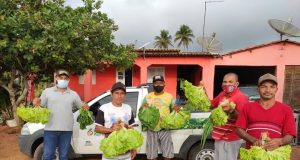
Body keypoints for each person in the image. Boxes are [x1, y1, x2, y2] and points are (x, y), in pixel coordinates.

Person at [236, 73, 296, 151]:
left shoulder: (286, 109)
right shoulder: (248, 107)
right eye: (263, 86)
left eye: (272, 87)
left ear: (276, 89)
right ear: (258, 89)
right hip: (252, 154)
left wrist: (280, 141)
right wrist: (253, 140)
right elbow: (239, 129)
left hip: (275, 155)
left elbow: (290, 135)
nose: (268, 90)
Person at [39, 69, 89, 160]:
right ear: (56, 78)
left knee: (64, 156)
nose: (63, 79)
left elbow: (81, 106)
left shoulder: (73, 94)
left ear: (68, 80)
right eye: (61, 77)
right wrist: (36, 102)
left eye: (65, 78)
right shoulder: (47, 92)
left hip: (67, 130)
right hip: (50, 129)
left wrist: (85, 106)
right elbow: (40, 105)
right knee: (48, 155)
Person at [208, 73, 249, 160]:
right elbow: (211, 104)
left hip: (230, 138)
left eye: (230, 82)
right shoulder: (222, 94)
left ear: (236, 84)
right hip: (220, 136)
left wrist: (231, 111)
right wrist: (201, 93)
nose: (227, 84)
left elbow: (243, 119)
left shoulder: (241, 97)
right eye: (225, 82)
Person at [140, 75, 179, 160]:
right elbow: (141, 111)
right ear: (153, 84)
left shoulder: (169, 96)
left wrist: (177, 109)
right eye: (156, 83)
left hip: (164, 128)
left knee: (168, 154)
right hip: (151, 129)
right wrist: (142, 107)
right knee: (151, 155)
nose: (158, 85)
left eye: (161, 83)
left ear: (164, 84)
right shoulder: (147, 96)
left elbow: (174, 111)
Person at [95, 82, 136, 160]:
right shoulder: (104, 108)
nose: (119, 96)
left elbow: (132, 130)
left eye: (122, 93)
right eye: (116, 93)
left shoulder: (128, 108)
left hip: (126, 153)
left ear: (125, 95)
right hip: (110, 152)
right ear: (111, 94)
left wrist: (133, 147)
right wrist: (112, 129)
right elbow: (97, 128)